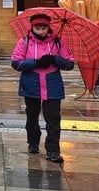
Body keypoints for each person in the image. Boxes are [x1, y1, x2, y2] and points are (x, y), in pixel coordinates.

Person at [10, 12, 74, 163]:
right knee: (32, 116)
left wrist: (56, 59)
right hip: (31, 85)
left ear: (48, 27)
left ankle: (53, 150)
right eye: (37, 28)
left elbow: (69, 63)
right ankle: (33, 142)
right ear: (32, 28)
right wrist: (36, 62)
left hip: (53, 85)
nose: (40, 31)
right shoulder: (24, 42)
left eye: (43, 28)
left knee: (53, 119)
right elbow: (16, 63)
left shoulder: (58, 42)